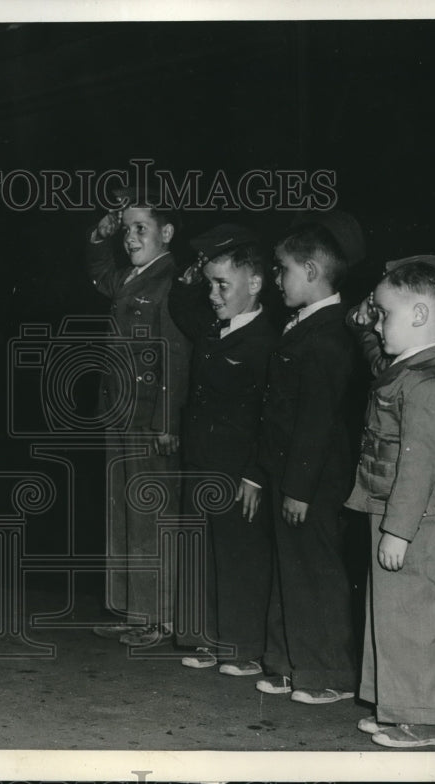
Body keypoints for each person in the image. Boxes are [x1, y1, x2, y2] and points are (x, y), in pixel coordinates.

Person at [345, 255, 435, 748]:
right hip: (395, 508)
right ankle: (398, 708)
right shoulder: (408, 365)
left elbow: (419, 463)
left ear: (419, 316)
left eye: (384, 314)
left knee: (414, 617)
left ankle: (429, 719)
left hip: (415, 517)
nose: (377, 324)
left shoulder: (425, 383)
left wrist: (398, 530)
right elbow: (376, 360)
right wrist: (363, 322)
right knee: (390, 616)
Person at [252, 222, 358, 704]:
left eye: (284, 270)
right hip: (288, 473)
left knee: (315, 570)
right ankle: (288, 664)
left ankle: (328, 673)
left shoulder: (330, 334)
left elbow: (316, 422)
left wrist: (298, 487)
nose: (277, 279)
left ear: (312, 271)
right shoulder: (303, 325)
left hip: (311, 481)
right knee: (288, 568)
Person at [167, 224, 276, 676]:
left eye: (222, 284)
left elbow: (269, 416)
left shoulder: (268, 339)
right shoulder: (215, 330)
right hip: (202, 463)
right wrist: (196, 273)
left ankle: (244, 648)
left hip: (236, 469)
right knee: (207, 554)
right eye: (209, 283)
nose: (212, 294)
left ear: (255, 284)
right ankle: (210, 639)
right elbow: (180, 305)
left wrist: (254, 472)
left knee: (240, 557)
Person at [86, 187, 190, 648]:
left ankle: (158, 618)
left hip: (149, 420)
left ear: (166, 232)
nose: (130, 237)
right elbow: (99, 273)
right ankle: (132, 611)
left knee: (150, 516)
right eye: (126, 228)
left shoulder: (172, 281)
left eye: (140, 228)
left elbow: (175, 354)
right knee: (124, 513)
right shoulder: (132, 277)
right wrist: (99, 235)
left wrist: (167, 422)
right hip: (119, 414)